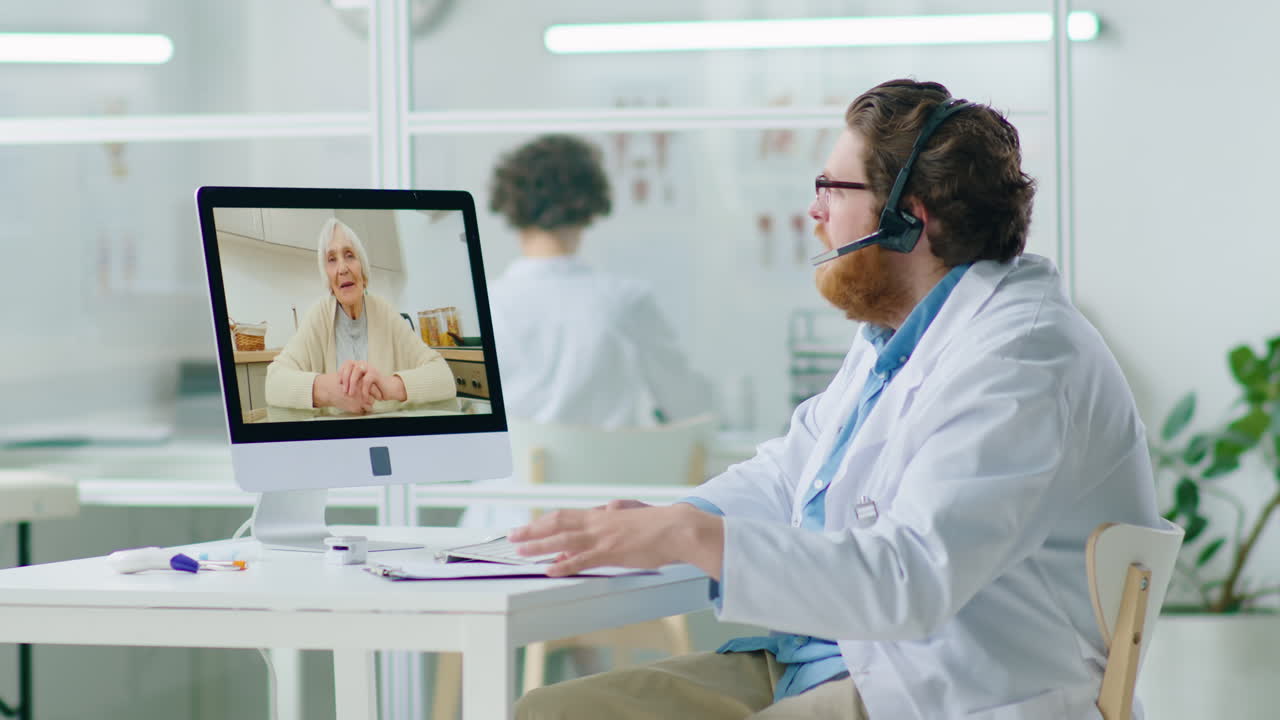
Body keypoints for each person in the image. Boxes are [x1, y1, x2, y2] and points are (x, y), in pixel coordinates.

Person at [509, 79, 1162, 720]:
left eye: (832, 189)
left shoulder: (1021, 358)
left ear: (911, 219)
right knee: (554, 709)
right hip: (824, 662)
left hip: (942, 687)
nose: (814, 213)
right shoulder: (898, 334)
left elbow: (911, 577)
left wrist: (690, 535)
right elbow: (790, 471)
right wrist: (664, 519)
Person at [460, 134, 711, 529]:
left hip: (505, 520)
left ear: (509, 206)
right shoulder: (624, 300)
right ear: (591, 204)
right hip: (612, 520)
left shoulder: (484, 305)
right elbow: (689, 405)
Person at [265, 217, 456, 417]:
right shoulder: (319, 316)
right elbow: (274, 382)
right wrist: (328, 391)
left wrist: (389, 386)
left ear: (363, 273)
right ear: (328, 280)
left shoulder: (385, 313)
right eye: (332, 259)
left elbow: (444, 376)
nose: (342, 268)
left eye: (349, 255)